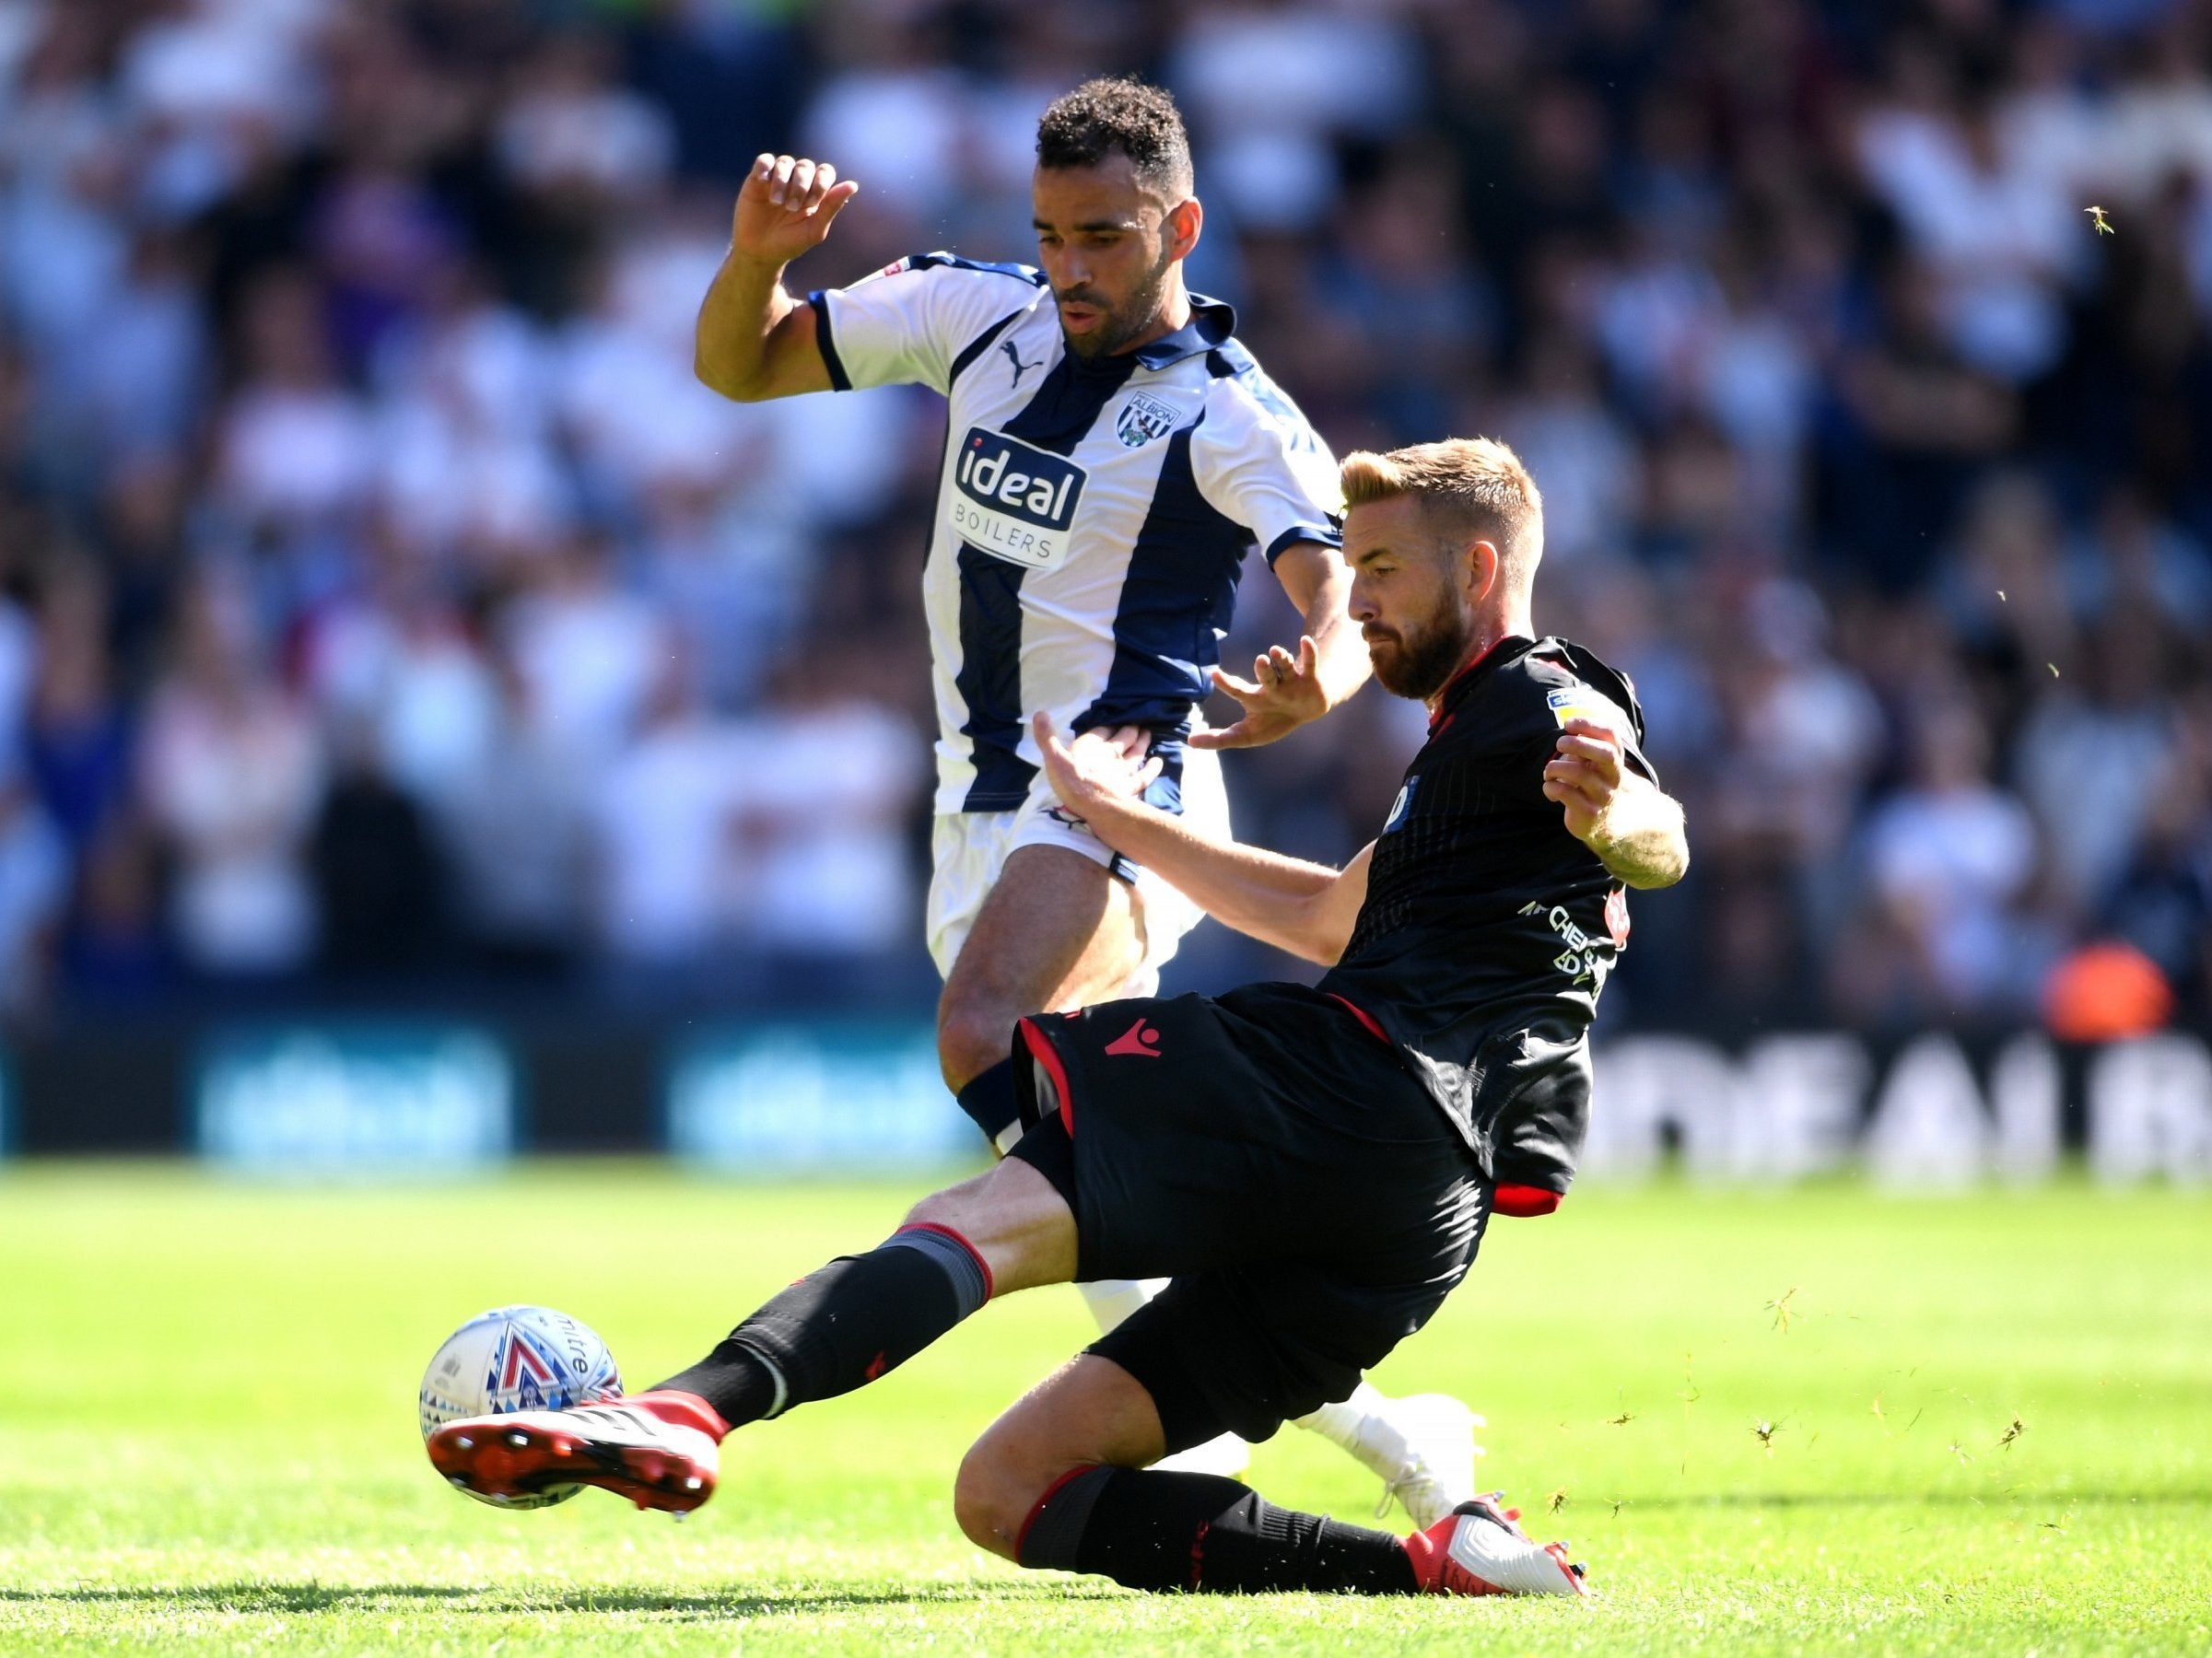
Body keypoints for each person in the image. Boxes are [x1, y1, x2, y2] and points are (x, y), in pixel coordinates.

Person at [427, 438, 1691, 1598]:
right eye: (1351, 566)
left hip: (1342, 1087)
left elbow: (1652, 826)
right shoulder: (1465, 747)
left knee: (982, 1193)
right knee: (1006, 1493)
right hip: (1417, 1211)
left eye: (1381, 571)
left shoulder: (1544, 694)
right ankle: (1437, 1569)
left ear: (1477, 567)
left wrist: (1619, 824)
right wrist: (1121, 817)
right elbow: (1328, 923)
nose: (1357, 601)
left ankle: (686, 1409)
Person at [690, 74, 1468, 1501]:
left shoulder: (1229, 413)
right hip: (976, 797)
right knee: (1080, 1176)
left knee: (982, 1031)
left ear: (1180, 226)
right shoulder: (968, 312)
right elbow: (742, 370)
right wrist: (757, 258)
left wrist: (1319, 682)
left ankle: (1309, 1401)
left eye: (1103, 237)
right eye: (1049, 233)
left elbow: (1345, 595)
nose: (1070, 268)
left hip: (1119, 787)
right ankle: (1379, 1430)